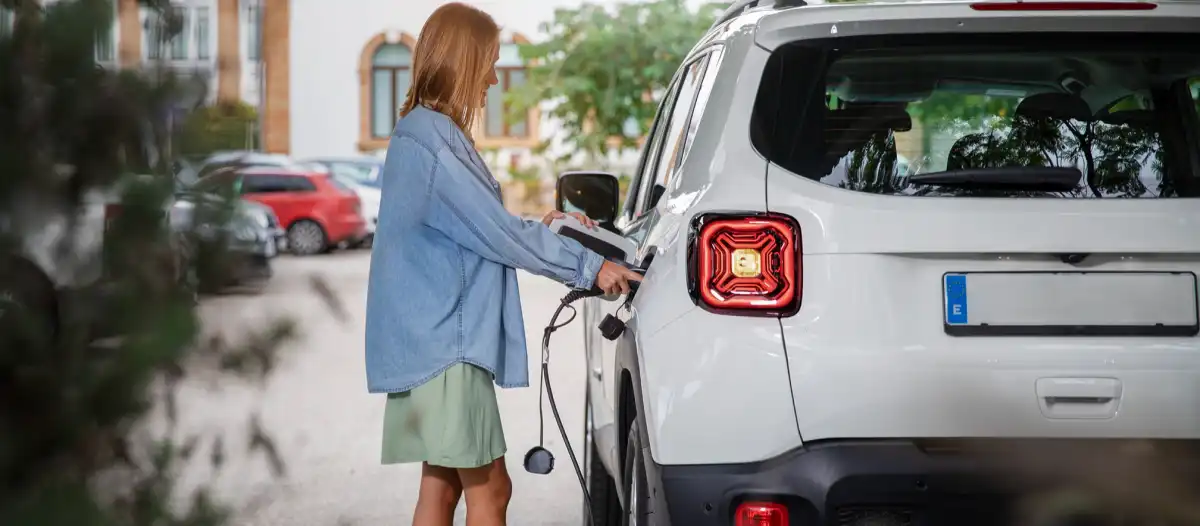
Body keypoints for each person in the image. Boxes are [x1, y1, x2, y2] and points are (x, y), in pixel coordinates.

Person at [363, 4, 643, 526]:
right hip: (447, 350)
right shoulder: (434, 139)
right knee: (491, 489)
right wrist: (589, 267)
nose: (493, 77)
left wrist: (549, 228)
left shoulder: (421, 132)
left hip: (431, 345)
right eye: (489, 62)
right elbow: (496, 234)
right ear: (463, 60)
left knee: (441, 489)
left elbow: (476, 224)